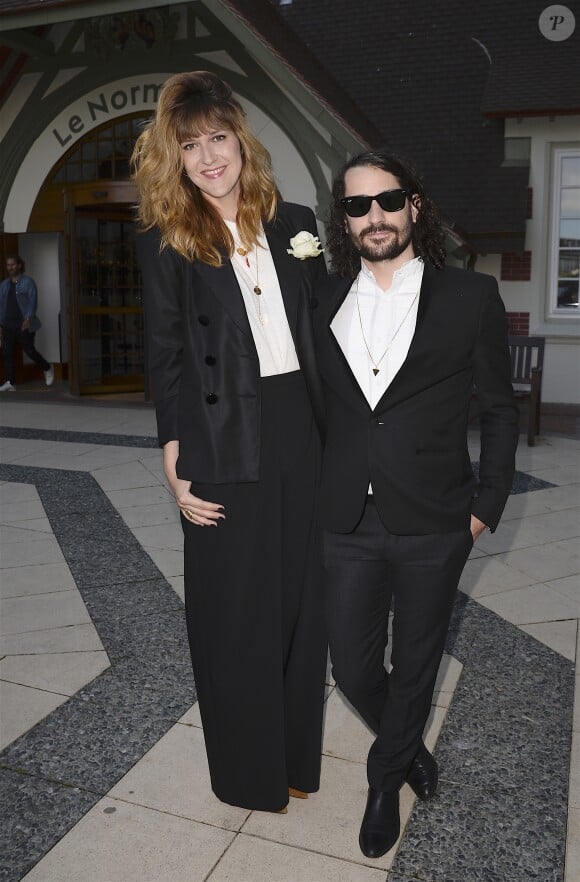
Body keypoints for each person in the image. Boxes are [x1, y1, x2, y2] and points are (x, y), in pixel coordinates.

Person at [313, 150, 519, 858]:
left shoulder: (470, 298)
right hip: (344, 519)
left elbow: (499, 407)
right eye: (357, 205)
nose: (375, 216)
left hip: (436, 518)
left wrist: (486, 503)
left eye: (388, 200)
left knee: (421, 658)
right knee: (354, 666)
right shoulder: (323, 300)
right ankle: (409, 750)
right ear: (343, 220)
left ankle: (383, 780)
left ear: (414, 207)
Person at [132, 71, 327, 813]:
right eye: (191, 145)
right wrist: (172, 456)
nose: (209, 156)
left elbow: (329, 329)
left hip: (300, 427)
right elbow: (168, 356)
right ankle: (248, 773)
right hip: (221, 432)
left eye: (218, 138)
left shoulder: (296, 222)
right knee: (234, 611)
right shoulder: (168, 240)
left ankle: (295, 761)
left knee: (302, 607)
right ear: (175, 158)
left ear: (241, 140)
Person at [0, 255, 54, 392]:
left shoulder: (28, 282)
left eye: (13, 265)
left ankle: (47, 367)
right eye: (8, 265)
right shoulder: (4, 285)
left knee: (29, 350)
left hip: (24, 324)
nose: (10, 267)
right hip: (8, 324)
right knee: (7, 353)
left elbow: (32, 302)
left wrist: (28, 318)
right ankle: (10, 382)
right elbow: (1, 305)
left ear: (19, 265)